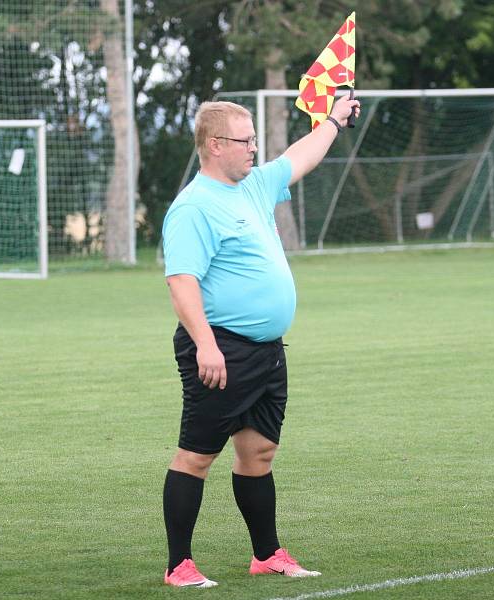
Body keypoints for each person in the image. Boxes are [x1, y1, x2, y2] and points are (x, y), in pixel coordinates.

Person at [160, 94, 360, 589]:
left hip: (267, 352)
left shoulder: (252, 186)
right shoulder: (193, 207)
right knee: (197, 454)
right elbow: (182, 281)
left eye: (255, 140)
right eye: (245, 140)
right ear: (214, 145)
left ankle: (266, 555)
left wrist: (334, 120)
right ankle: (178, 565)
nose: (254, 148)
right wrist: (205, 344)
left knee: (260, 453)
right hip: (220, 349)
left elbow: (301, 155)